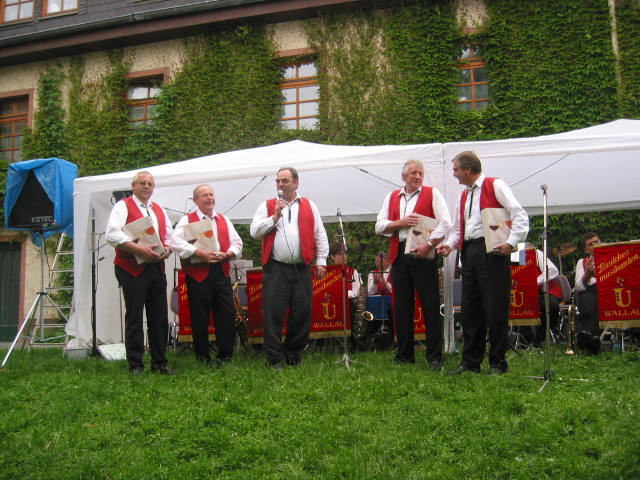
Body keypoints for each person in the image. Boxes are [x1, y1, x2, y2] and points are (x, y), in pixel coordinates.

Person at [437, 151, 528, 375]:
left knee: (495, 309)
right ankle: (470, 362)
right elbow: (461, 228)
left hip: (493, 250)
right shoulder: (464, 196)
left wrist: (512, 242)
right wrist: (449, 244)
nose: (454, 174)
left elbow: (520, 215)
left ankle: (497, 362)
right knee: (470, 309)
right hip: (470, 252)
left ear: (468, 169)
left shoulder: (495, 185)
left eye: (456, 169)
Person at [375, 159, 452, 370]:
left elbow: (446, 223)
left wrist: (429, 244)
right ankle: (404, 354)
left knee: (430, 305)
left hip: (423, 253)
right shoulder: (391, 197)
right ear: (404, 176)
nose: (418, 177)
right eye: (413, 173)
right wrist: (399, 223)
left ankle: (435, 356)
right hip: (399, 255)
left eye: (420, 173)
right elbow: (379, 225)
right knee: (402, 306)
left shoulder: (432, 193)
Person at [250, 167, 329, 369]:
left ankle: (293, 354)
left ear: (296, 183)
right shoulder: (267, 206)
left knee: (302, 313)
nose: (280, 185)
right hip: (276, 269)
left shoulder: (309, 205)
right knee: (273, 314)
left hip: (302, 268)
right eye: (278, 181)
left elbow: (319, 233)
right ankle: (274, 359)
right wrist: (274, 217)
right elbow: (254, 232)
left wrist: (321, 259)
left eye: (285, 181)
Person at [105, 171, 174, 374]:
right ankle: (135, 364)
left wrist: (168, 249)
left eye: (150, 184)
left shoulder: (158, 209)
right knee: (134, 316)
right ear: (133, 186)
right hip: (131, 268)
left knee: (159, 316)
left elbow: (169, 234)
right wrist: (138, 250)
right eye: (142, 183)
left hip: (155, 267)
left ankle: (160, 362)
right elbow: (112, 233)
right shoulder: (122, 206)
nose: (146, 187)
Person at [170, 184, 243, 367]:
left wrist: (227, 254)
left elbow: (238, 243)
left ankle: (225, 355)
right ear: (196, 200)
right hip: (198, 273)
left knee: (225, 314)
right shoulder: (187, 220)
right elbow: (175, 243)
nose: (209, 198)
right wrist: (198, 252)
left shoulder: (223, 219)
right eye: (204, 196)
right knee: (200, 316)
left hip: (221, 271)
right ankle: (202, 357)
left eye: (211, 194)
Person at [574, 232, 602, 354]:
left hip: (611, 290)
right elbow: (579, 287)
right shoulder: (582, 262)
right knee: (586, 297)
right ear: (586, 250)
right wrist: (587, 275)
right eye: (591, 244)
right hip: (592, 291)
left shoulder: (613, 256)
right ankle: (590, 337)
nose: (595, 245)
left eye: (597, 241)